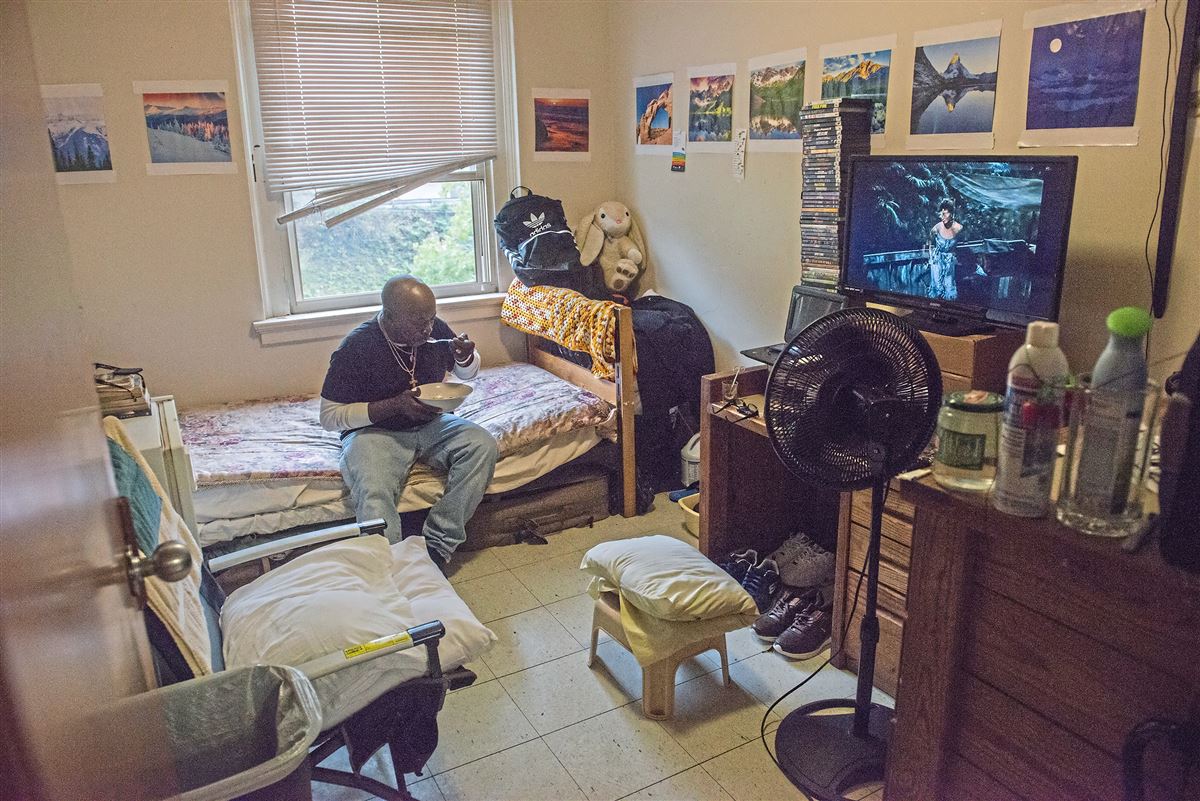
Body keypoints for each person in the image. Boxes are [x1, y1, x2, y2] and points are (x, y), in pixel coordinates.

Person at [319, 275, 498, 570]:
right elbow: (329, 417)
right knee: (373, 486)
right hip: (374, 432)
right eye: (418, 323)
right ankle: (388, 564)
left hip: (432, 424)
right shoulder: (357, 347)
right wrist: (393, 406)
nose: (428, 329)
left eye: (431, 319)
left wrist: (466, 359)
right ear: (389, 317)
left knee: (482, 445)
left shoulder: (432, 329)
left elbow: (467, 375)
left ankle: (437, 547)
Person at [928, 199, 962, 300]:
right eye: (941, 213)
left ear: (951, 213)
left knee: (949, 286)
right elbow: (929, 241)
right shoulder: (937, 228)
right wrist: (931, 257)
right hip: (937, 260)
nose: (942, 216)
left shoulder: (959, 228)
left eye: (945, 213)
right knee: (937, 287)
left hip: (949, 261)